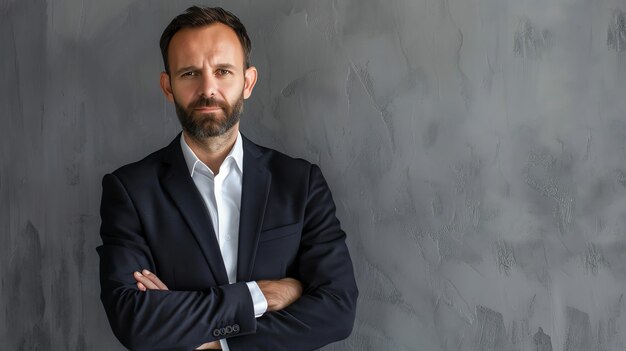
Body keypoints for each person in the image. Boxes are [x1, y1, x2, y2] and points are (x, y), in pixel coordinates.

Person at [97, 5, 358, 351]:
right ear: (168, 86)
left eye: (223, 71)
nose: (208, 89)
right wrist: (258, 297)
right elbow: (134, 319)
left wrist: (214, 344)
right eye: (190, 73)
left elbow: (337, 310)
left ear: (247, 82)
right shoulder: (130, 191)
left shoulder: (300, 183)